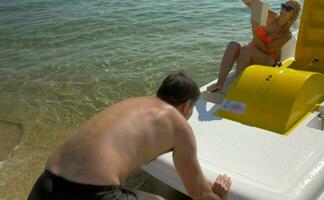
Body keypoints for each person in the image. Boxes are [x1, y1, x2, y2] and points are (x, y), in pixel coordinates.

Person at [27, 71, 232, 200]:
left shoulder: (133, 105)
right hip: (91, 193)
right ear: (186, 105)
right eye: (192, 109)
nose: (190, 114)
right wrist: (216, 195)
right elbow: (198, 193)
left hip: (45, 185)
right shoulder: (178, 124)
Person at [207, 0, 301, 93]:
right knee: (234, 45)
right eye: (283, 6)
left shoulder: (285, 34)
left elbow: (267, 48)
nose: (283, 10)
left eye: (288, 9)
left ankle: (238, 87)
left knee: (247, 50)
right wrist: (257, 4)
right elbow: (250, 3)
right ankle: (219, 84)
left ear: (293, 15)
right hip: (252, 52)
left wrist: (255, 32)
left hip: (268, 60)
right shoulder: (270, 15)